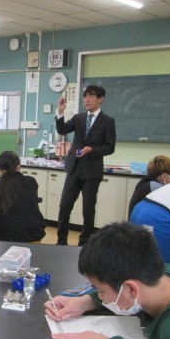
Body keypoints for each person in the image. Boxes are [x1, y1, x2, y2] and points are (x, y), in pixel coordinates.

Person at [55, 85, 116, 246]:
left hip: (92, 171)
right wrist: (60, 112)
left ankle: (84, 242)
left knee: (88, 209)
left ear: (101, 99)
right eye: (85, 97)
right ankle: (61, 240)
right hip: (74, 168)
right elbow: (62, 130)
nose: (87, 100)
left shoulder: (108, 121)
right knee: (65, 205)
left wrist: (92, 149)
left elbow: (110, 147)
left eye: (91, 96)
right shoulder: (79, 118)